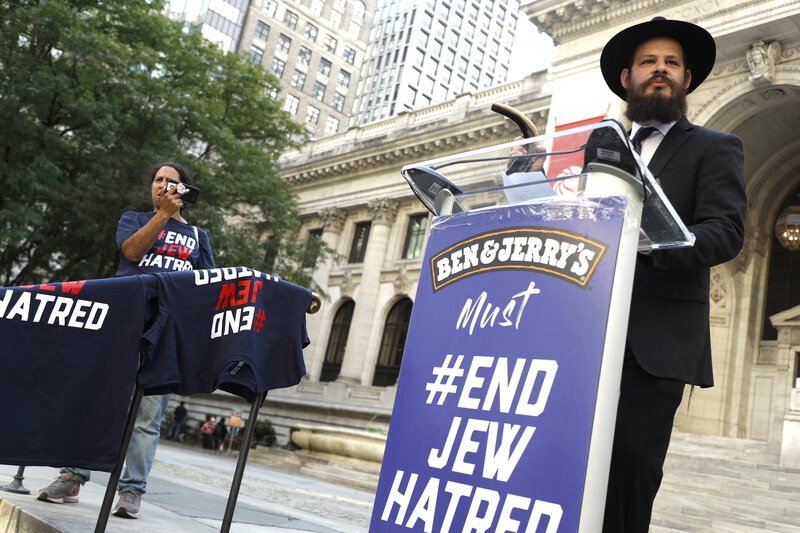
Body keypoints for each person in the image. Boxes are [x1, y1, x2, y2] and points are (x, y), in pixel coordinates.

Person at [512, 17, 747, 532]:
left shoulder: (715, 147)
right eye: (648, 62)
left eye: (671, 63)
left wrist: (654, 239)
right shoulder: (594, 148)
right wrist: (528, 184)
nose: (660, 71)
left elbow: (726, 233)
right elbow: (569, 227)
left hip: (654, 344)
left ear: (687, 79)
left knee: (628, 472)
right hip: (579, 335)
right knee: (560, 463)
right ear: (626, 78)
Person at [37, 162, 215, 519]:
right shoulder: (133, 219)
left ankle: (132, 491)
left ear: (185, 192)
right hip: (123, 324)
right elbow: (132, 252)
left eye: (171, 182)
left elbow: (206, 288)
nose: (162, 185)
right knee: (96, 402)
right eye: (158, 180)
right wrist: (162, 216)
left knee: (147, 417)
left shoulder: (198, 237)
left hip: (164, 335)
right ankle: (73, 476)